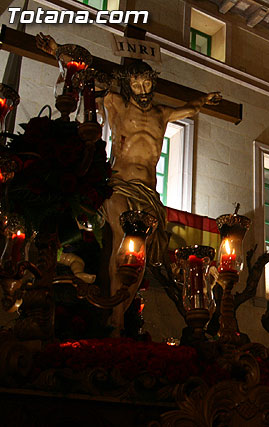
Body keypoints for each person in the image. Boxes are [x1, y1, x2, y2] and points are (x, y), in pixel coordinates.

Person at [36, 34, 222, 334]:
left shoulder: (162, 114)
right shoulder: (117, 105)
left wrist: (205, 99)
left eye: (147, 84)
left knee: (139, 254)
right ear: (128, 85)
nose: (143, 89)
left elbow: (190, 108)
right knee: (123, 239)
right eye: (136, 84)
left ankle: (120, 311)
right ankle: (115, 316)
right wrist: (58, 51)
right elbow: (84, 76)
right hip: (120, 184)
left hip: (148, 192)